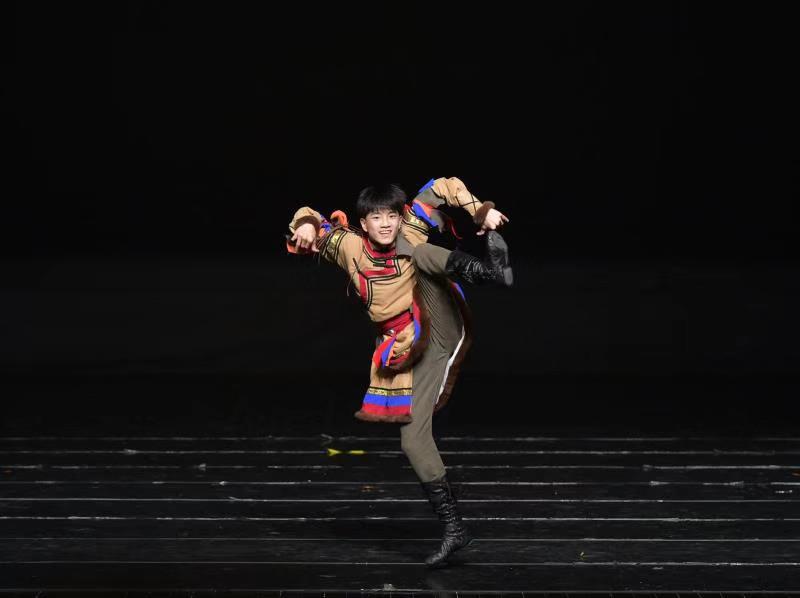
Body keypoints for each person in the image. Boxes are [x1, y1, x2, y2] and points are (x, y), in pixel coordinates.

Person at [286, 176, 512, 567]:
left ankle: (487, 271)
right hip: (407, 347)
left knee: (417, 250)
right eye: (376, 217)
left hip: (438, 323)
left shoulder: (409, 229)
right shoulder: (350, 246)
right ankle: (455, 528)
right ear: (364, 223)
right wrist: (306, 225)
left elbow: (444, 187)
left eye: (392, 215)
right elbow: (311, 218)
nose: (386, 223)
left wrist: (481, 211)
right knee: (413, 441)